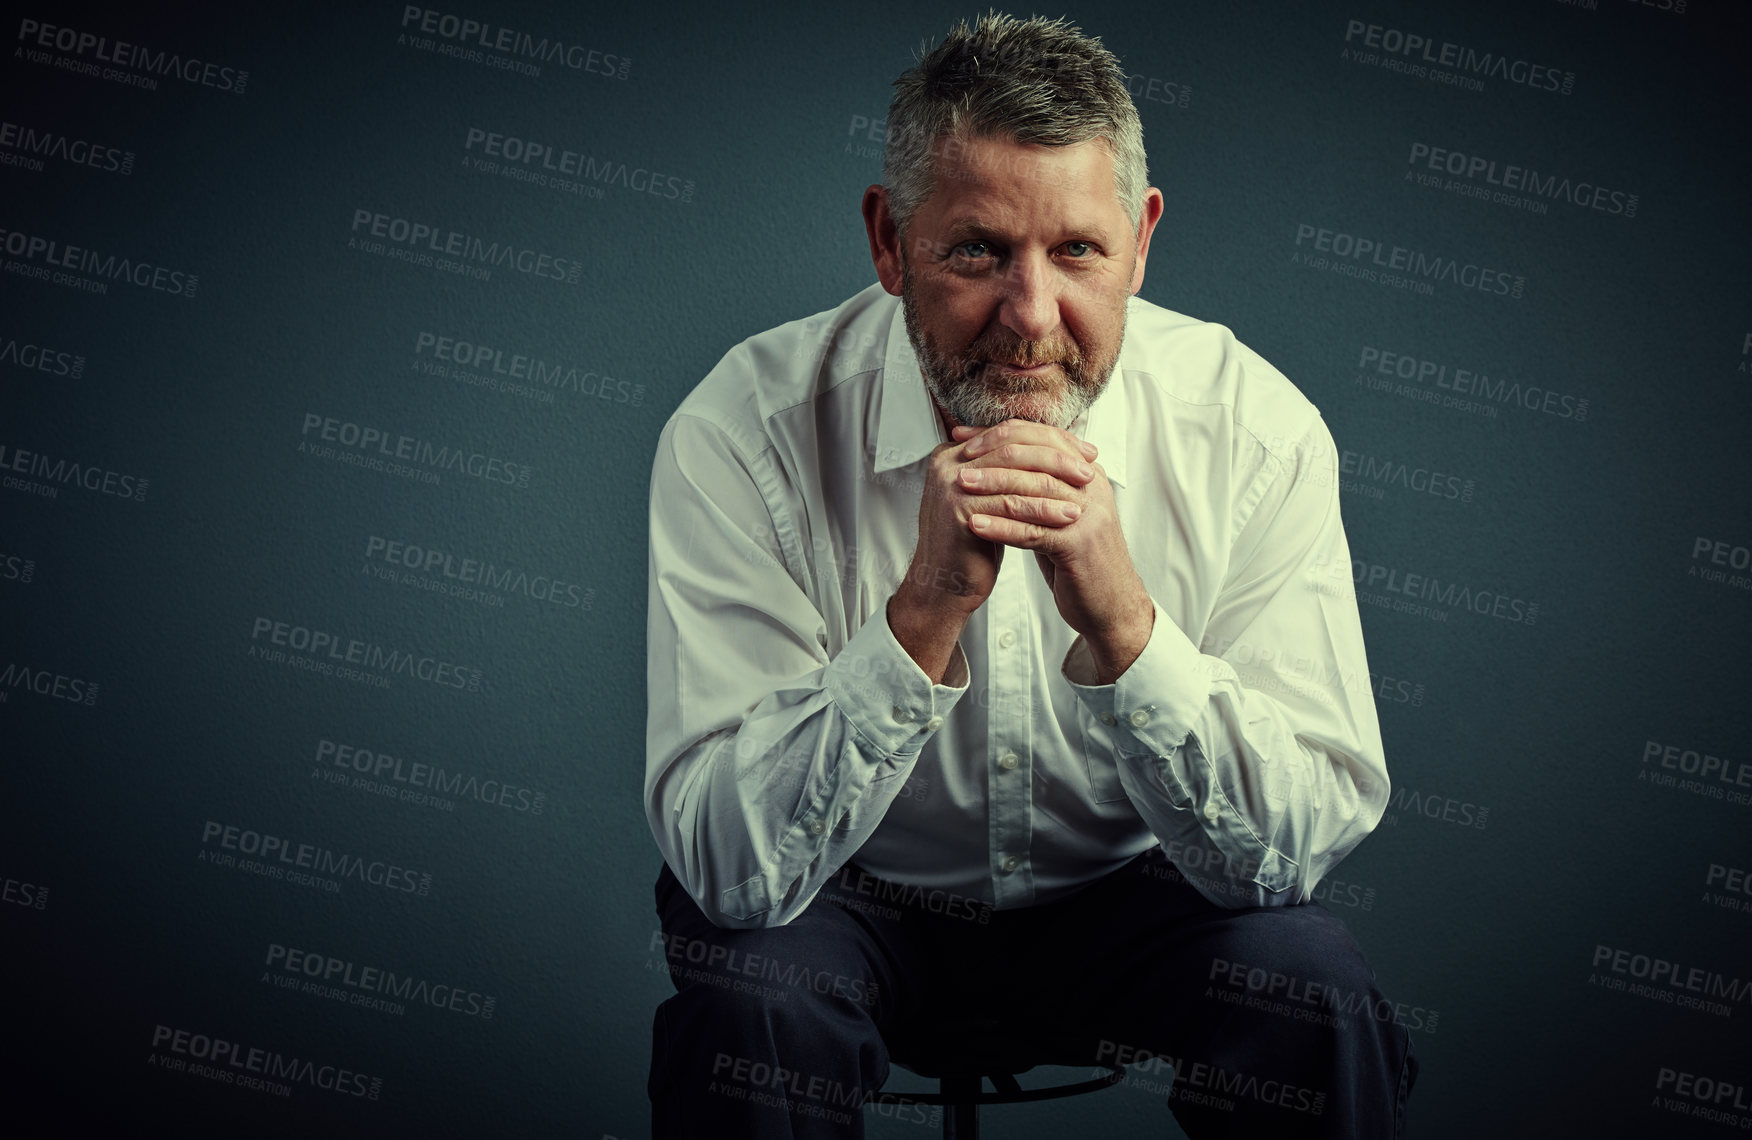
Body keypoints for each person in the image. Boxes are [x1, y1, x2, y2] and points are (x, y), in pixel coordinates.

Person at [643, 12, 1416, 1137]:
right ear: (890, 240)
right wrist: (922, 614)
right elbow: (727, 866)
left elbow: (1290, 852)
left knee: (1312, 992)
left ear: (1141, 242)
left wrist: (1125, 626)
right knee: (755, 1008)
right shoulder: (740, 431)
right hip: (849, 901)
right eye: (976, 252)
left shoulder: (1256, 429)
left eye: (1078, 253)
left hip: (1131, 905)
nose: (1030, 321)